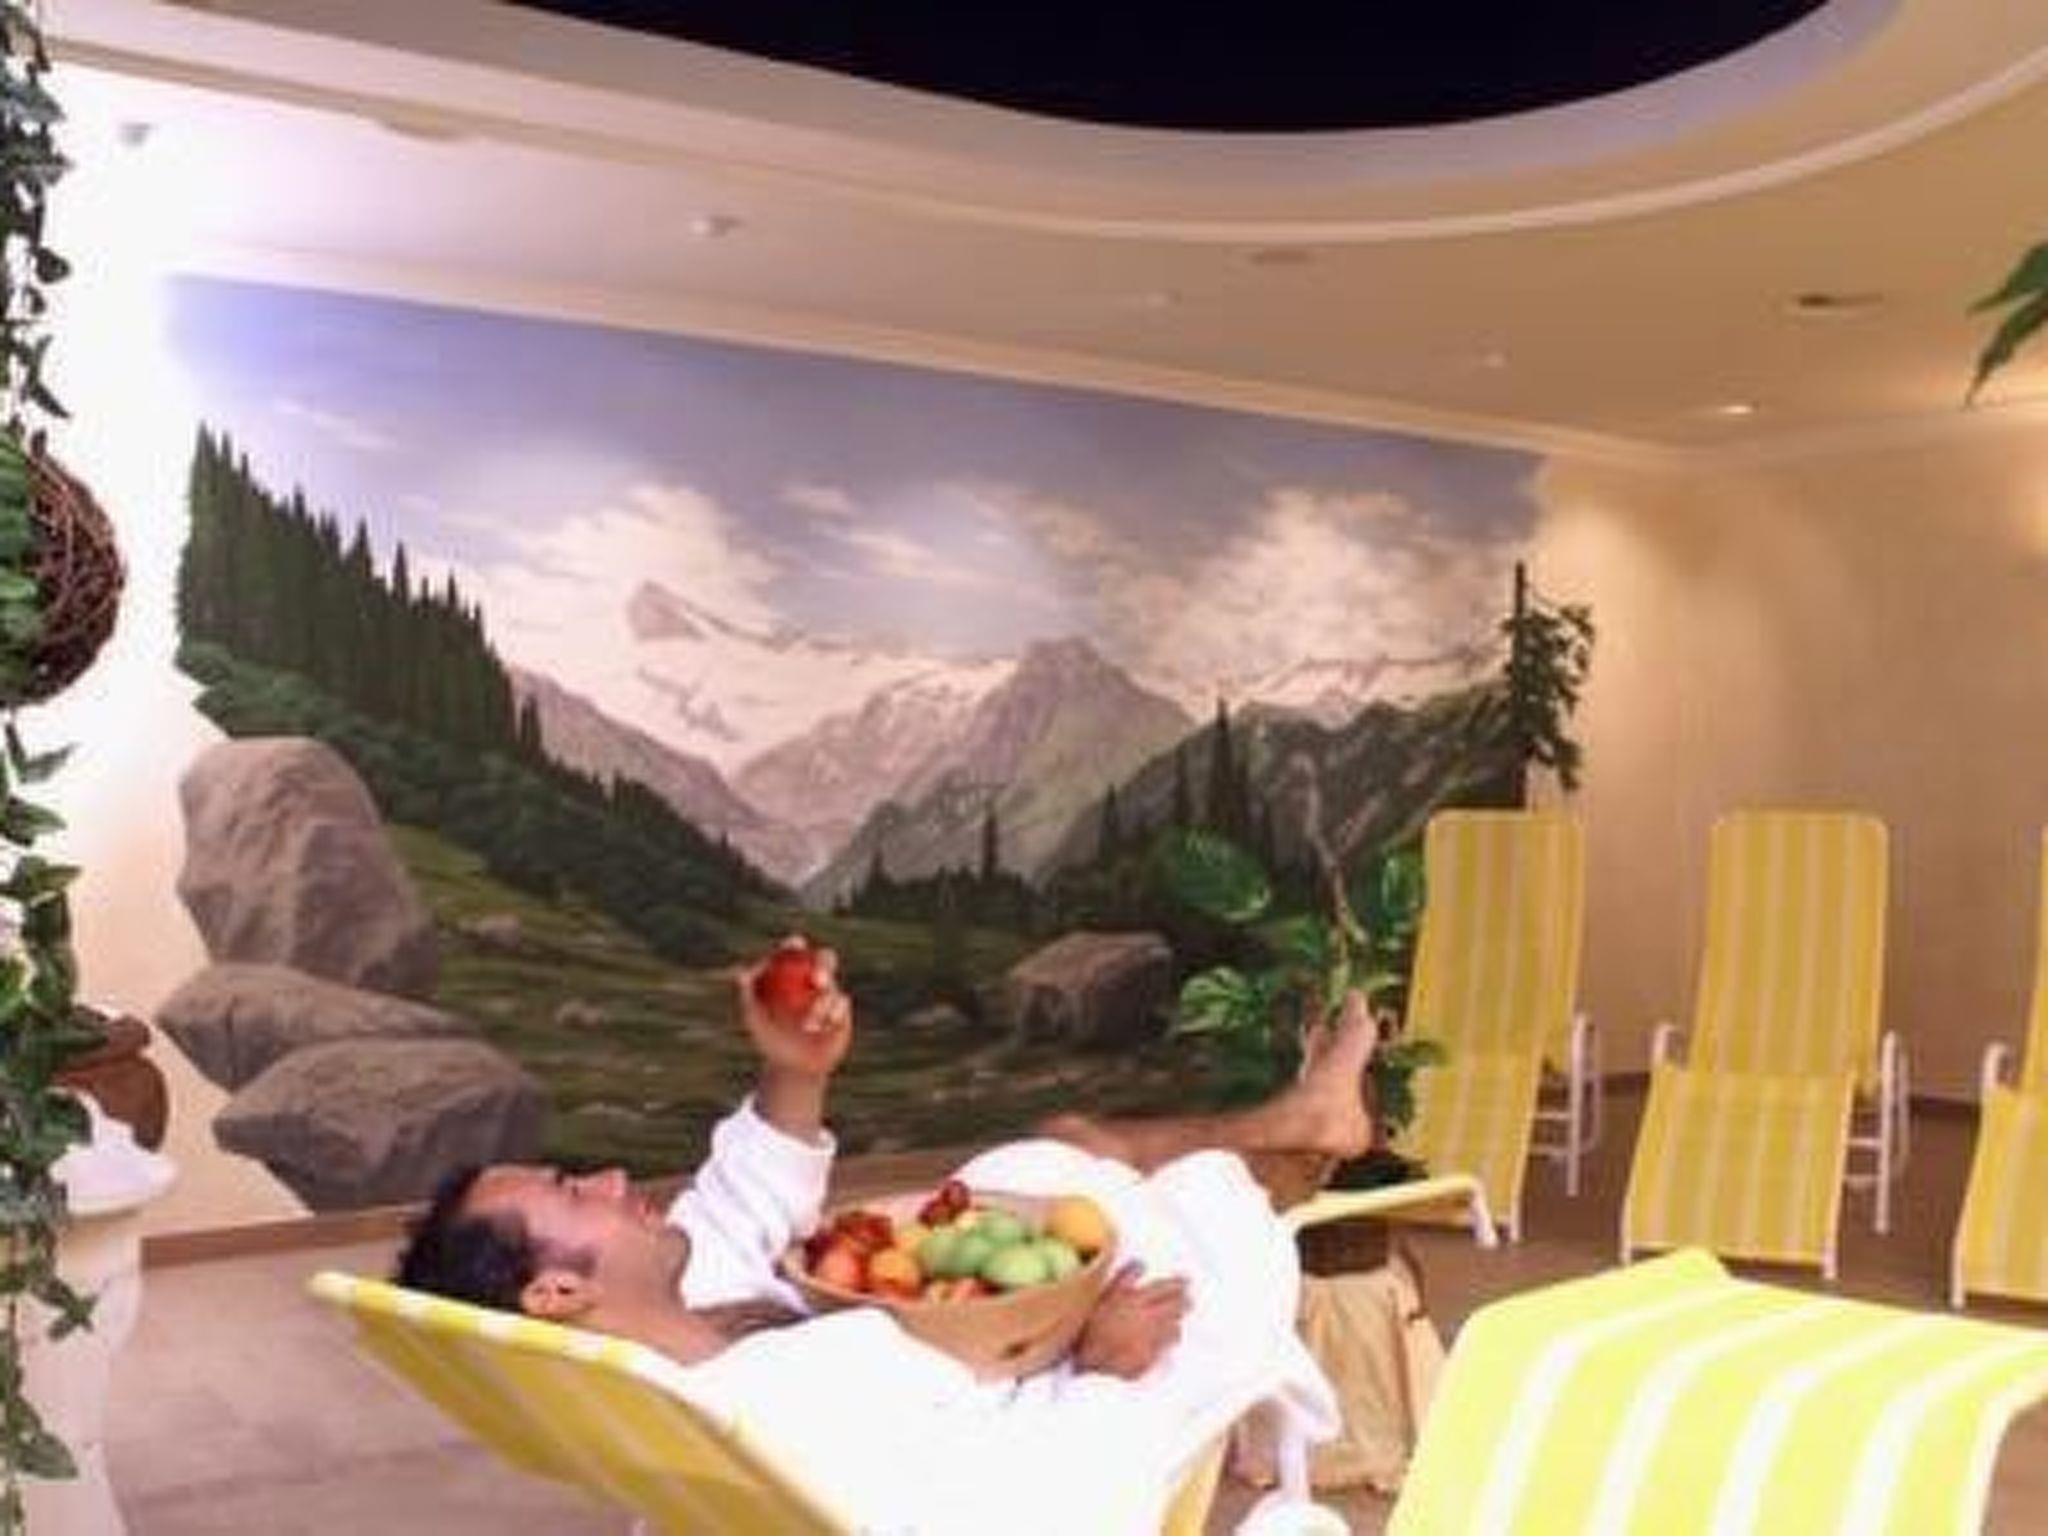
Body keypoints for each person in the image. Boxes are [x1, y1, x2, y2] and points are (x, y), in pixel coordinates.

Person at [396, 940, 1373, 1534]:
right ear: (557, 1292)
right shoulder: (798, 1398)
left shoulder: (663, 1349)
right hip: (1086, 1398)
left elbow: (746, 1188)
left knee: (1058, 1148)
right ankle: (1290, 1147)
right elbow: (1029, 1511)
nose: (614, 1179)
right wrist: (1108, 1370)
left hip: (999, 1355)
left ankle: (1296, 1123)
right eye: (577, 1193)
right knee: (1203, 1204)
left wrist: (795, 1065)